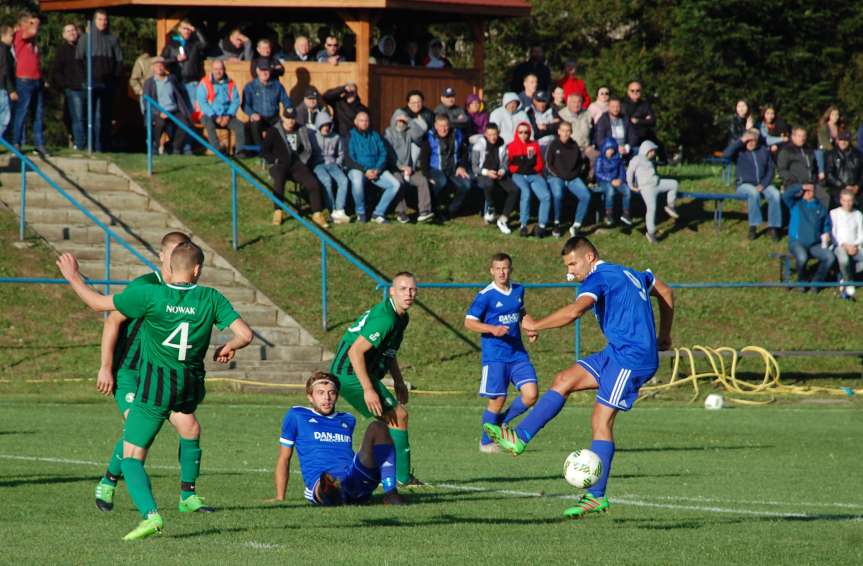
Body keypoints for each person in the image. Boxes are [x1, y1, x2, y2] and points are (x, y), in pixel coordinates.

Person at [55, 242, 254, 540]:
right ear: (198, 270)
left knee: (132, 455)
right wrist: (228, 347)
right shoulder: (211, 297)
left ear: (169, 266)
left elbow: (97, 304)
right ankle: (185, 495)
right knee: (188, 426)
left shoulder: (151, 294)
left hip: (154, 387)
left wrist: (73, 276)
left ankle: (150, 515)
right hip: (189, 387)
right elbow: (246, 335)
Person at [484, 236, 675, 519]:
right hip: (616, 352)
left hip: (632, 358)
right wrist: (665, 335)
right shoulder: (630, 272)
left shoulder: (597, 279)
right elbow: (666, 291)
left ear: (589, 257)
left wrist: (536, 324)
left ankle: (595, 496)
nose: (570, 272)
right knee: (564, 379)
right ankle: (521, 436)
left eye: (573, 264)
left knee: (601, 419)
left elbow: (575, 311)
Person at [93, 232, 201, 514]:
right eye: (176, 252)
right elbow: (112, 321)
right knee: (135, 429)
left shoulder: (187, 293)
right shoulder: (144, 286)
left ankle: (187, 497)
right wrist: (106, 367)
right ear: (163, 256)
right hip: (130, 373)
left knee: (190, 428)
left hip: (162, 378)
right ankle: (108, 482)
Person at [328, 272, 421, 486]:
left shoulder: (400, 317)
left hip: (359, 371)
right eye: (403, 289)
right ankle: (402, 478)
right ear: (392, 291)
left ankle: (371, 473)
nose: (409, 293)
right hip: (349, 372)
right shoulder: (386, 318)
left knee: (388, 422)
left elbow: (389, 351)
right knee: (398, 416)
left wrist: (398, 380)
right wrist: (368, 389)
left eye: (412, 289)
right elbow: (355, 352)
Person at [274, 372, 404, 505]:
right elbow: (284, 458)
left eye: (332, 393)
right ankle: (333, 493)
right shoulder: (297, 415)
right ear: (310, 397)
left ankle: (390, 493)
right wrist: (280, 497)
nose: (327, 398)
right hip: (320, 480)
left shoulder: (347, 419)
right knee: (326, 484)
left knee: (378, 427)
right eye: (320, 393)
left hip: (353, 476)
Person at [465, 253, 538, 453]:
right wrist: (492, 329)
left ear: (510, 269)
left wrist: (529, 327)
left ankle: (502, 423)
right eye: (497, 268)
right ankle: (486, 442)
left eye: (505, 268)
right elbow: (469, 322)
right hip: (495, 356)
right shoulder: (485, 295)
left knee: (531, 394)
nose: (501, 272)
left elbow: (520, 312)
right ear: (491, 271)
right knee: (497, 401)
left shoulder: (518, 290)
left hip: (517, 354)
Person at [262, 108, 329, 228]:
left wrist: (302, 161)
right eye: (288, 118)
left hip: (296, 164)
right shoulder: (274, 131)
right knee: (279, 180)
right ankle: (278, 211)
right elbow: (264, 151)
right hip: (279, 164)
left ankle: (317, 213)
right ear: (283, 118)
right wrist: (275, 160)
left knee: (313, 183)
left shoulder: (301, 129)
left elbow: (307, 148)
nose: (291, 121)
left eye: (293, 118)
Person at [722, 129, 782, 241]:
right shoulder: (739, 151)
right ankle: (753, 226)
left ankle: (773, 227)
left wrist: (763, 185)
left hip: (763, 184)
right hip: (744, 185)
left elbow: (771, 170)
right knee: (753, 193)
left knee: (775, 194)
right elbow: (725, 155)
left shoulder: (764, 151)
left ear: (757, 140)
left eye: (753, 140)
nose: (751, 142)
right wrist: (741, 140)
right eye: (748, 140)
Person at [76, 10, 123, 152]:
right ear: (94, 21)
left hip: (107, 84)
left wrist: (114, 79)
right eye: (100, 19)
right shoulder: (86, 39)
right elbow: (79, 60)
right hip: (90, 83)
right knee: (88, 116)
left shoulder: (113, 39)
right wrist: (84, 78)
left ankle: (101, 146)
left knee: (103, 117)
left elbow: (119, 62)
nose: (103, 22)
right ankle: (86, 145)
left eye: (105, 19)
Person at [343, 111, 402, 223]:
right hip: (358, 169)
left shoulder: (375, 135)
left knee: (395, 184)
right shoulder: (350, 135)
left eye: (366, 120)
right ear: (356, 122)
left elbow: (383, 153)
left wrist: (378, 169)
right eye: (361, 120)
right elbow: (349, 158)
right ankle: (361, 213)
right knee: (357, 181)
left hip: (375, 169)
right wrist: (365, 170)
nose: (364, 123)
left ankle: (378, 213)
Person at [385, 109, 434, 224]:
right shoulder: (389, 133)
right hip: (394, 168)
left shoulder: (408, 132)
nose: (401, 123)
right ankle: (400, 212)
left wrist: (410, 121)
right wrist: (400, 167)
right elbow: (389, 154)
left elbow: (419, 134)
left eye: (403, 120)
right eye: (399, 120)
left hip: (409, 169)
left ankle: (424, 212)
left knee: (422, 180)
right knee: (398, 182)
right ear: (394, 120)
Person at [419, 114, 472, 219]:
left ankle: (450, 211)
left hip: (453, 169)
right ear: (435, 125)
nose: (443, 129)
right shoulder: (429, 137)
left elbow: (464, 153)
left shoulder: (457, 134)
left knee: (467, 184)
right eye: (440, 126)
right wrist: (427, 175)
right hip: (435, 169)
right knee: (441, 182)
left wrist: (461, 166)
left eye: (446, 126)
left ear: (449, 125)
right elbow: (423, 159)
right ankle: (433, 208)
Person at [783, 183, 834, 292]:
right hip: (797, 242)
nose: (807, 192)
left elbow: (826, 226)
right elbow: (785, 195)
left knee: (829, 257)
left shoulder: (821, 208)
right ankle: (802, 281)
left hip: (815, 244)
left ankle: (816, 283)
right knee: (802, 257)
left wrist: (826, 233)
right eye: (805, 191)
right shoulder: (795, 204)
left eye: (810, 190)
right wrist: (801, 187)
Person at [626, 140, 679, 244]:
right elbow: (629, 172)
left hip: (657, 184)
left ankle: (670, 205)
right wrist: (631, 186)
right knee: (651, 209)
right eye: (653, 151)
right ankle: (651, 233)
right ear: (648, 150)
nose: (654, 153)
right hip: (647, 188)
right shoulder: (637, 159)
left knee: (674, 184)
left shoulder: (650, 161)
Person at [545, 121, 590, 238]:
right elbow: (548, 164)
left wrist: (574, 174)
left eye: (568, 131)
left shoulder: (574, 146)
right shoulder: (553, 144)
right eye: (563, 131)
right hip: (556, 177)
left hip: (572, 178)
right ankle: (557, 223)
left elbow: (580, 164)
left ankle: (576, 225)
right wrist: (560, 176)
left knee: (586, 195)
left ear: (571, 132)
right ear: (559, 132)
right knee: (558, 195)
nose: (565, 133)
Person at [11, 13, 48, 156]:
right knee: (22, 112)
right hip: (24, 80)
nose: (32, 25)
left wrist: (42, 78)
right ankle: (16, 142)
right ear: (23, 24)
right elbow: (32, 31)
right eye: (29, 22)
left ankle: (39, 144)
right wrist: (36, 22)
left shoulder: (33, 42)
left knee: (38, 114)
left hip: (36, 79)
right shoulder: (20, 34)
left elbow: (36, 61)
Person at [472, 123, 518, 234]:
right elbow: (474, 167)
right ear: (485, 135)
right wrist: (487, 172)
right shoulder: (478, 146)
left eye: (495, 134)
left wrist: (503, 170)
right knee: (489, 184)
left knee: (514, 190)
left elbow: (505, 163)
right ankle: (491, 208)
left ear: (498, 134)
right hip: (484, 173)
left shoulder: (502, 144)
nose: (493, 137)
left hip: (499, 174)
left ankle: (503, 219)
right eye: (490, 134)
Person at [508, 121, 550, 238]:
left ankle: (542, 225)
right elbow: (509, 164)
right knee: (525, 193)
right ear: (517, 133)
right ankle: (523, 224)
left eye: (526, 132)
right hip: (519, 175)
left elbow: (540, 163)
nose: (523, 135)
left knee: (545, 196)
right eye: (520, 132)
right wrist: (518, 169)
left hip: (533, 175)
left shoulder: (534, 145)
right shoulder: (511, 146)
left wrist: (533, 169)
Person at [143, 57, 193, 155]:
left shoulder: (171, 79)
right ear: (153, 68)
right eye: (157, 66)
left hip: (173, 110)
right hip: (159, 111)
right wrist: (159, 112)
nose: (159, 67)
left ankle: (175, 147)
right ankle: (156, 145)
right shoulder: (149, 82)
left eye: (161, 65)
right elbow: (146, 101)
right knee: (160, 124)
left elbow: (178, 96)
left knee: (185, 124)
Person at [196, 59, 246, 155]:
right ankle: (217, 150)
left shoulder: (231, 83)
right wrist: (215, 116)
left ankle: (240, 151)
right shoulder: (204, 83)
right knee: (209, 124)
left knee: (240, 125)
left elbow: (235, 101)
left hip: (226, 116)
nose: (218, 72)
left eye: (221, 69)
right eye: (216, 69)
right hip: (208, 115)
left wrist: (228, 116)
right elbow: (203, 103)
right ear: (212, 70)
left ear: (224, 70)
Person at [161, 18, 207, 116]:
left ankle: (190, 130)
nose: (187, 31)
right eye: (184, 28)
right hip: (176, 81)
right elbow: (163, 61)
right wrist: (175, 59)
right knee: (177, 111)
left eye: (189, 29)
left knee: (192, 111)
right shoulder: (171, 43)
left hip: (191, 82)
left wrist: (195, 29)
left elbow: (205, 44)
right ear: (179, 29)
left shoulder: (194, 43)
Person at [51, 23, 86, 150]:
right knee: (78, 117)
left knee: (86, 116)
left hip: (85, 87)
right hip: (72, 88)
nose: (72, 33)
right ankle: (81, 144)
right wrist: (65, 85)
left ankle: (87, 143)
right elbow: (56, 71)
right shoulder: (62, 50)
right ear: (64, 35)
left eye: (73, 30)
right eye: (69, 31)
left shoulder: (82, 47)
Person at [242, 60, 292, 147]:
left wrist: (288, 112)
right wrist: (252, 114)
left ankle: (283, 148)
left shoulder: (278, 86)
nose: (264, 72)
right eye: (262, 70)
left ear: (270, 71)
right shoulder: (250, 86)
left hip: (274, 118)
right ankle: (260, 150)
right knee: (254, 124)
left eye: (267, 70)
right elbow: (245, 105)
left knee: (286, 124)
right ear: (257, 70)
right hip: (258, 118)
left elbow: (286, 101)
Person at [310, 112, 348, 216]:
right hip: (318, 164)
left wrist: (338, 163)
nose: (326, 128)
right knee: (327, 181)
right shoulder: (313, 137)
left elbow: (341, 153)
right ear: (319, 125)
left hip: (332, 164)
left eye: (328, 125)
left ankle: (340, 209)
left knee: (343, 181)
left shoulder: (336, 137)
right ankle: (332, 209)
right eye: (323, 126)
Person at [778, 128, 824, 206]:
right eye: (799, 136)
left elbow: (815, 168)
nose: (802, 138)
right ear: (793, 137)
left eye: (804, 136)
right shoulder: (786, 151)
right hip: (794, 185)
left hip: (811, 185)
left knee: (825, 198)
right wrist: (800, 185)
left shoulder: (809, 150)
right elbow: (782, 170)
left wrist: (814, 183)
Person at [831, 189, 863, 299]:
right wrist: (844, 245)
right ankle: (848, 282)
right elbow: (833, 234)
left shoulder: (858, 214)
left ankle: (844, 277)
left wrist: (855, 245)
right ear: (841, 201)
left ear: (853, 201)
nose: (847, 203)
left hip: (855, 246)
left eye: (850, 201)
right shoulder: (834, 213)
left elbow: (861, 234)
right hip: (839, 246)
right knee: (844, 260)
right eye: (845, 200)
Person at [558, 93, 598, 178]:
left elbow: (593, 132)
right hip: (570, 147)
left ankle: (590, 179)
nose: (576, 104)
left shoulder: (587, 114)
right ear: (568, 103)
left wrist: (592, 144)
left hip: (586, 146)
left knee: (596, 156)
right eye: (573, 102)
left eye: (579, 102)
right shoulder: (561, 115)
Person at [595, 138, 632, 227]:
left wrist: (620, 179)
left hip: (617, 180)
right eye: (608, 149)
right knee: (610, 191)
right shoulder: (600, 159)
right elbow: (598, 173)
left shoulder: (617, 159)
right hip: (604, 181)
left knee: (627, 191)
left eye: (612, 149)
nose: (610, 151)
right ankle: (609, 214)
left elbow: (622, 171)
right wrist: (610, 180)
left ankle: (626, 213)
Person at [825, 131, 862, 207]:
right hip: (837, 192)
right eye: (841, 139)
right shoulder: (831, 154)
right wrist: (844, 186)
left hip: (856, 193)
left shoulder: (858, 154)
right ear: (838, 140)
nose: (843, 142)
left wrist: (858, 186)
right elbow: (829, 174)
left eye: (846, 140)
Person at [621, 81, 657, 154]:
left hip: (644, 139)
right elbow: (625, 121)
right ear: (628, 92)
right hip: (628, 140)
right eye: (632, 90)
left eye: (638, 90)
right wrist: (645, 119)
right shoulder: (623, 105)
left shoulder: (645, 105)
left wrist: (638, 121)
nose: (635, 92)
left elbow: (653, 121)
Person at [129, 38, 157, 114]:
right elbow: (133, 79)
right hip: (146, 94)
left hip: (159, 94)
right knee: (147, 117)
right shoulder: (141, 60)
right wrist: (141, 91)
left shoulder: (159, 59)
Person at [0, 25, 15, 140]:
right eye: (11, 35)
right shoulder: (4, 50)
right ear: (3, 35)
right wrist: (11, 90)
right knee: (5, 118)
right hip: (2, 88)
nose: (13, 38)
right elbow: (5, 70)